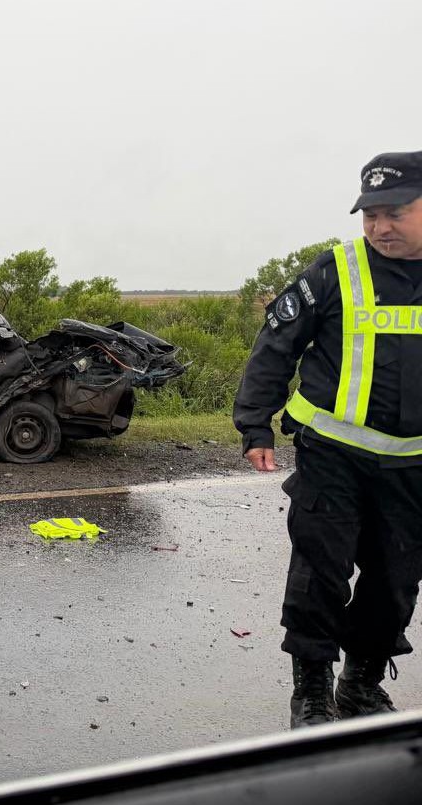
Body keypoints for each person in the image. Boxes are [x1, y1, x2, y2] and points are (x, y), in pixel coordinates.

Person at [234, 150, 422, 729]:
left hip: (413, 466)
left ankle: (361, 684)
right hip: (331, 454)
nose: (379, 227)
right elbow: (276, 344)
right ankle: (311, 694)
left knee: (395, 581)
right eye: (369, 215)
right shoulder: (336, 269)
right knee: (320, 571)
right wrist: (255, 424)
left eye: (395, 213)